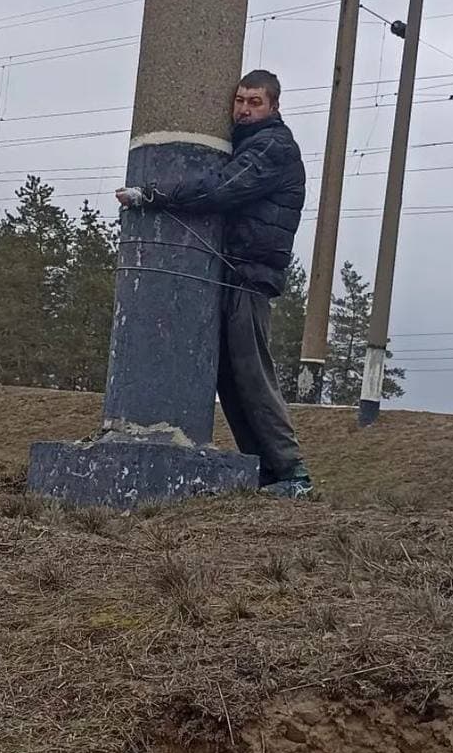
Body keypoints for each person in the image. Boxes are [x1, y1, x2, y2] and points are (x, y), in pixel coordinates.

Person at [116, 69, 312, 498]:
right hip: (232, 271)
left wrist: (153, 195)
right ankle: (267, 471)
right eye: (239, 100)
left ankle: (293, 473)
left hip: (250, 274)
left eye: (254, 102)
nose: (243, 109)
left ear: (274, 106)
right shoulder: (249, 144)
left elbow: (223, 188)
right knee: (229, 374)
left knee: (252, 373)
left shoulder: (273, 146)